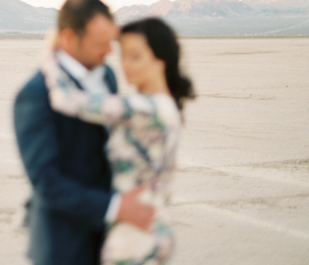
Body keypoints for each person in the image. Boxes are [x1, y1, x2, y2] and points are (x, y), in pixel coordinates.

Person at [13, 0, 155, 265]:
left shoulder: (108, 77)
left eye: (111, 42)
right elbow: (47, 182)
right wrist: (115, 208)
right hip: (63, 246)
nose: (109, 52)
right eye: (100, 44)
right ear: (69, 39)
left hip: (111, 243)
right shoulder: (35, 95)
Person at [42, 17, 195, 265]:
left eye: (136, 57)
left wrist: (52, 53)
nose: (125, 65)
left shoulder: (143, 108)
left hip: (135, 236)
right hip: (156, 227)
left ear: (161, 61)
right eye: (123, 56)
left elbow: (65, 99)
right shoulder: (166, 107)